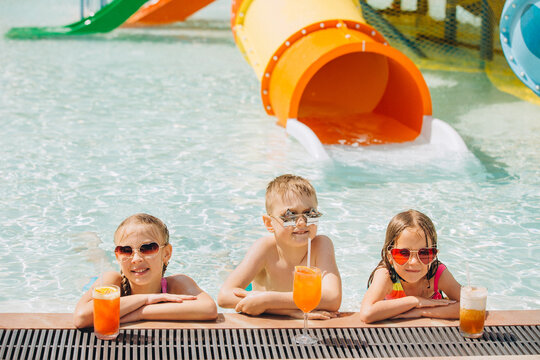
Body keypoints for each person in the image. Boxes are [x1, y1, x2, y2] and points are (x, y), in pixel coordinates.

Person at [218, 174, 342, 319]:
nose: (302, 222)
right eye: (289, 215)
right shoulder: (265, 248)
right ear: (269, 223)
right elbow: (224, 297)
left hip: (264, 297)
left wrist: (267, 300)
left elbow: (333, 299)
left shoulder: (321, 245)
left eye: (309, 213)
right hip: (259, 297)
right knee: (230, 269)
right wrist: (290, 311)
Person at [74, 213, 217, 328]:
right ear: (117, 256)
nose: (136, 258)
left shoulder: (176, 284)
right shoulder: (111, 282)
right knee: (100, 264)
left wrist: (140, 313)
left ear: (166, 253)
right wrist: (146, 299)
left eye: (148, 248)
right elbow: (81, 318)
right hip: (97, 283)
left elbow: (209, 308)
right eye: (125, 250)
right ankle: (93, 247)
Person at [359, 209, 461, 323]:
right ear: (389, 256)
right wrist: (415, 301)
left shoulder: (437, 274)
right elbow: (367, 313)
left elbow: (471, 306)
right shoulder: (386, 275)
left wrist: (421, 312)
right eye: (403, 253)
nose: (414, 262)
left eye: (424, 253)